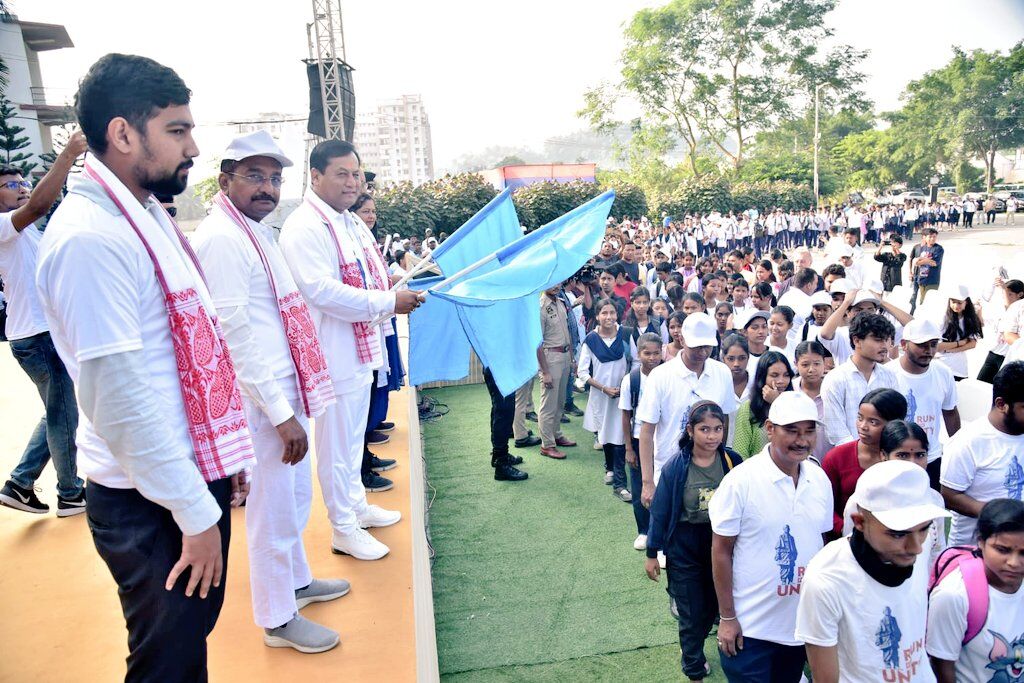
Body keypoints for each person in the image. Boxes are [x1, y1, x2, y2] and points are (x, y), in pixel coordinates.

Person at [36, 54, 256, 680]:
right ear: (123, 133)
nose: (193, 147)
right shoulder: (90, 239)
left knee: (185, 648)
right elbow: (120, 399)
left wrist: (219, 460)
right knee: (168, 663)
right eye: (178, 130)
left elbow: (183, 351)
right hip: (149, 499)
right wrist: (193, 511)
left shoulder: (144, 215)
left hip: (180, 478)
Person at [192, 131, 346, 653]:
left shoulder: (256, 230)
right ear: (225, 180)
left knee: (296, 498)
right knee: (273, 509)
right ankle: (277, 618)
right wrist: (280, 414)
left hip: (285, 388)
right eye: (254, 176)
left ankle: (297, 583)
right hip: (264, 400)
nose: (267, 187)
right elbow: (233, 335)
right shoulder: (221, 237)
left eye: (275, 178)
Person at [280, 139, 415, 560]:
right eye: (342, 173)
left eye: (356, 173)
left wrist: (389, 293)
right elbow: (320, 291)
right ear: (315, 176)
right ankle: (342, 527)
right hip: (332, 354)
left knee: (354, 438)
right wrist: (386, 303)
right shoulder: (306, 226)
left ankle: (355, 507)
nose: (352, 181)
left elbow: (368, 278)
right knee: (337, 445)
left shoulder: (346, 222)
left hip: (360, 348)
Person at [710, 392, 833, 682]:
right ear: (769, 429)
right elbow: (720, 551)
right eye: (791, 430)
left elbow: (822, 543)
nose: (802, 440)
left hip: (800, 627)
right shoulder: (741, 481)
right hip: (750, 631)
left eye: (809, 431)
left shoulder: (819, 479)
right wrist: (727, 618)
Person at [795, 460, 950, 683]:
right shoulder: (826, 579)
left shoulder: (916, 546)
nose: (916, 547)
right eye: (898, 534)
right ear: (859, 522)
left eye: (924, 529)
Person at [0, 133, 88, 515]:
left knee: (59, 411)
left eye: (21, 182)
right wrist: (68, 154)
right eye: (9, 185)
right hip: (36, 338)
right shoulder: (4, 226)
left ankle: (19, 484)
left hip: (41, 334)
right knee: (64, 412)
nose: (20, 189)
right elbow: (38, 205)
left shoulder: (21, 231)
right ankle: (70, 493)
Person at [645, 401, 743, 682]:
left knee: (714, 606)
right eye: (704, 429)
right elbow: (661, 511)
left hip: (720, 543)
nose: (712, 436)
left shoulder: (732, 461)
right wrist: (652, 552)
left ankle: (698, 646)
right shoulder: (677, 467)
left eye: (717, 429)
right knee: (692, 612)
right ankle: (693, 667)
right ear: (690, 430)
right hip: (685, 545)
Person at [637, 312, 736, 507]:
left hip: (708, 471)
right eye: (696, 346)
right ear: (681, 339)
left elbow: (724, 420)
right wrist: (647, 482)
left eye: (707, 346)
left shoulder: (722, 372)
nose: (702, 352)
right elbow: (647, 431)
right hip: (668, 468)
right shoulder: (660, 376)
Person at [927, 498, 1024, 683]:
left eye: (1023, 553)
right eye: (1002, 550)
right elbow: (942, 665)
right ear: (980, 541)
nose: (1014, 562)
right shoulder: (954, 595)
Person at [941, 362, 1024, 546]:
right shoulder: (969, 442)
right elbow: (949, 495)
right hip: (972, 552)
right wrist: (999, 515)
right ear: (1002, 404)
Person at [822, 388, 908, 537]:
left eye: (873, 422)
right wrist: (847, 529)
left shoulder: (904, 459)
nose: (863, 426)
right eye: (860, 418)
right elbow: (823, 506)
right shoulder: (837, 457)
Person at [886, 318, 960, 490]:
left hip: (931, 457)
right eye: (922, 345)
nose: (929, 350)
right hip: (895, 458)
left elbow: (950, 412)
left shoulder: (944, 373)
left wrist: (957, 449)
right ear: (904, 344)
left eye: (933, 344)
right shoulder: (887, 374)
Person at [821, 311, 900, 447]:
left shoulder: (890, 376)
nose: (885, 346)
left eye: (887, 340)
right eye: (878, 339)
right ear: (856, 340)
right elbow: (837, 434)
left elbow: (895, 422)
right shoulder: (836, 379)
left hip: (884, 457)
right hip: (849, 459)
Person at [578, 299, 628, 487]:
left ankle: (619, 469)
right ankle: (609, 467)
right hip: (601, 394)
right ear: (597, 316)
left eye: (612, 313)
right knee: (605, 431)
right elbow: (582, 372)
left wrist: (625, 385)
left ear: (617, 314)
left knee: (622, 431)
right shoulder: (591, 339)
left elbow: (636, 361)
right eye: (604, 313)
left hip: (623, 392)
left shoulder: (625, 334)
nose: (609, 317)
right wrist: (603, 388)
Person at [621, 332, 662, 550]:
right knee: (639, 487)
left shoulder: (666, 375)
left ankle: (660, 530)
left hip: (662, 439)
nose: (652, 357)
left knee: (662, 484)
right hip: (639, 440)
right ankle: (643, 530)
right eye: (647, 353)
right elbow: (626, 415)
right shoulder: (632, 380)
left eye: (656, 353)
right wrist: (628, 448)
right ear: (638, 354)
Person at [537, 284, 576, 460]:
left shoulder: (560, 302)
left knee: (560, 401)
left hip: (565, 355)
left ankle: (556, 434)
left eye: (559, 280)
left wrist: (572, 357)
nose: (556, 285)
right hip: (551, 357)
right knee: (548, 404)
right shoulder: (541, 306)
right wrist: (545, 371)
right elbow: (537, 342)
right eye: (552, 281)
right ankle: (547, 445)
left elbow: (569, 331)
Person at [732, 351, 794, 459]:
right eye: (774, 375)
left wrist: (777, 402)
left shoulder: (797, 405)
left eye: (786, 375)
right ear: (762, 377)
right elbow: (740, 453)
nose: (781, 381)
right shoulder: (748, 409)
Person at [978, 279, 1024, 384]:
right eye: (1005, 294)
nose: (1006, 297)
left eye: (1010, 294)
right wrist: (979, 311)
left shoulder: (1019, 311)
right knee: (981, 383)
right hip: (993, 353)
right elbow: (982, 323)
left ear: (1020, 295)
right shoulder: (1000, 310)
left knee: (1002, 387)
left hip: (1008, 356)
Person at [936, 284, 984, 381]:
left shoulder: (969, 319)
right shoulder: (943, 318)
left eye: (959, 303)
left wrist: (952, 349)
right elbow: (936, 346)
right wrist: (960, 343)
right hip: (940, 364)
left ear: (966, 303)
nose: (956, 306)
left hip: (959, 368)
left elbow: (972, 344)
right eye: (953, 302)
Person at [793, 340, 830, 464]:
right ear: (796, 364)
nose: (811, 369)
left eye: (817, 364)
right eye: (805, 365)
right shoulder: (791, 389)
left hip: (829, 456)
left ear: (824, 363)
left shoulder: (833, 388)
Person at [911, 228, 944, 312]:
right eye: (930, 237)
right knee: (922, 301)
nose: (932, 239)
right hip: (921, 278)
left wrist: (922, 260)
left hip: (932, 279)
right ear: (924, 237)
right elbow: (915, 261)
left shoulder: (938, 249)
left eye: (934, 237)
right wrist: (926, 260)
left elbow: (935, 263)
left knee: (930, 301)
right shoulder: (922, 248)